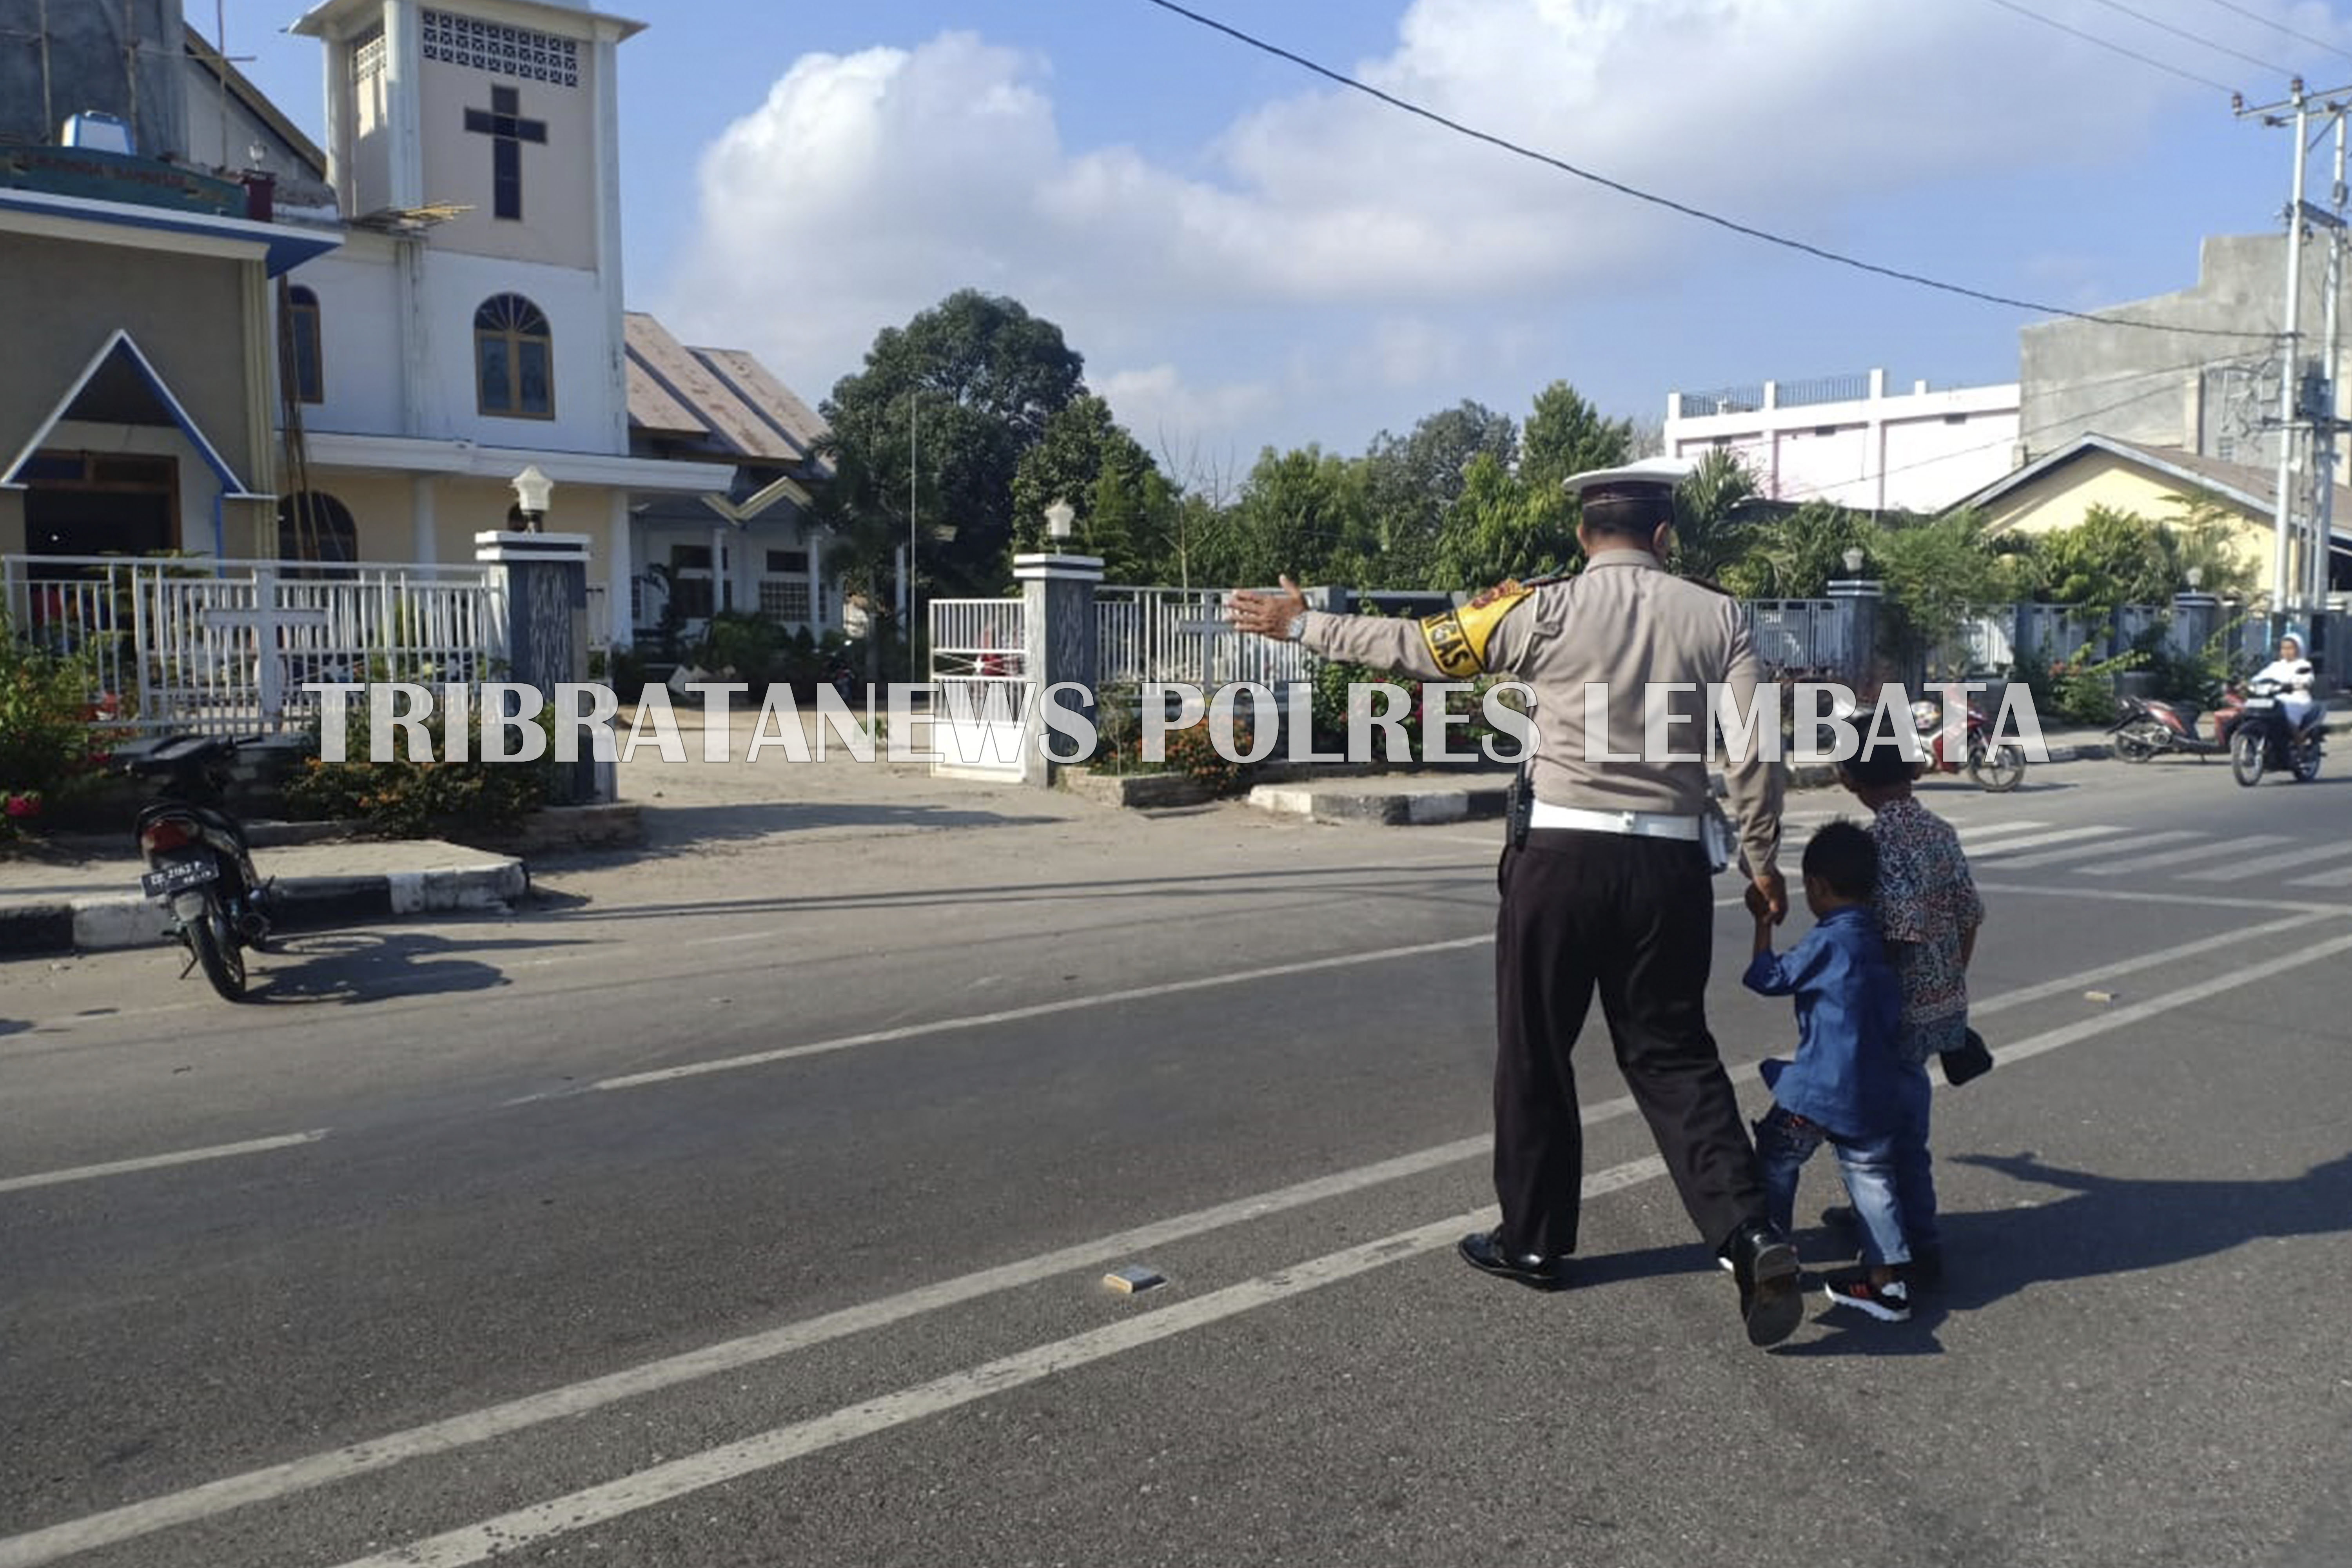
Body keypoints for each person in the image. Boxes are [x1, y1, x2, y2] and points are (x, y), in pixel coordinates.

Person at [1225, 456, 1805, 1348]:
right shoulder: (1717, 614)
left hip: (1558, 863)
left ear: (1582, 535)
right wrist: (1762, 862)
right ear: (1663, 536)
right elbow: (1752, 753)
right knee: (1673, 1055)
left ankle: (1534, 1242)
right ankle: (1749, 1232)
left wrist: (1303, 623)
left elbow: (1416, 650)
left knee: (1536, 1048)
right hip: (1667, 869)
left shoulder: (1538, 606)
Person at [1827, 733, 1985, 1288]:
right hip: (1941, 1004)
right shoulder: (1941, 831)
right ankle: (1874, 1215)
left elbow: (1896, 937)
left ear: (1849, 778)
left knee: (1889, 1133)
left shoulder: (1880, 846)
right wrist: (1950, 983)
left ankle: (1921, 1243)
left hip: (1894, 1015)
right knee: (1896, 1126)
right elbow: (1969, 916)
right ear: (1912, 771)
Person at [1741, 821, 1915, 1323]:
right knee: (1873, 1180)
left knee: (1776, 1162)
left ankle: (1771, 1261)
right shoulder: (1882, 938)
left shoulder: (1830, 941)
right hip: (1875, 1092)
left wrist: (1764, 925)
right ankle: (1889, 1285)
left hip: (1818, 1091)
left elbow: (1766, 978)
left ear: (1816, 885)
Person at [2252, 630, 2319, 733]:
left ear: (2298, 649)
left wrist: (2295, 686)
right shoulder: (2276, 665)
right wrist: (2248, 684)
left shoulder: (2303, 665)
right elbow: (2260, 677)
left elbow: (2307, 680)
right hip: (2276, 698)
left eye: (2290, 648)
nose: (2287, 652)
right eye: (2284, 648)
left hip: (2297, 699)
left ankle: (2299, 743)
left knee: (2288, 714)